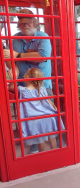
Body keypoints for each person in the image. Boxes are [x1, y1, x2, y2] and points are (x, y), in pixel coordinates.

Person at [3, 8, 52, 154]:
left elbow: (42, 56)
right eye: (21, 22)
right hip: (23, 86)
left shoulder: (43, 36)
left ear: (34, 22)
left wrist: (18, 55)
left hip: (42, 85)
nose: (24, 25)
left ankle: (48, 140)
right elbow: (11, 61)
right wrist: (13, 68)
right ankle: (33, 140)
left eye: (27, 22)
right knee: (28, 115)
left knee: (45, 114)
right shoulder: (15, 38)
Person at [8, 68, 65, 153]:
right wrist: (55, 110)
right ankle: (55, 153)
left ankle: (41, 154)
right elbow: (49, 102)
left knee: (41, 140)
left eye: (25, 74)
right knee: (52, 137)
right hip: (49, 116)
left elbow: (11, 87)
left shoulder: (22, 90)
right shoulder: (42, 89)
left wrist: (13, 78)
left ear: (27, 78)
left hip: (35, 120)